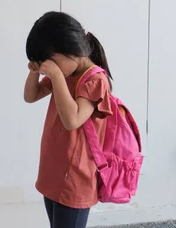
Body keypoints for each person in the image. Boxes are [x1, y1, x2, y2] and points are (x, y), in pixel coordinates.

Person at [23, 12, 113, 228]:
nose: (48, 66)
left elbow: (73, 119)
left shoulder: (95, 81)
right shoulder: (65, 74)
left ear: (72, 50)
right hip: (54, 169)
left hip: (75, 177)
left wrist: (54, 76)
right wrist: (34, 73)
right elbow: (30, 96)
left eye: (49, 60)